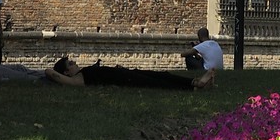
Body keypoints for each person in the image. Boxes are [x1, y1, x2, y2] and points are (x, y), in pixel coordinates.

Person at [46, 56, 213, 90]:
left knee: (163, 75)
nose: (75, 63)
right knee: (158, 83)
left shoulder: (83, 72)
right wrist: (53, 72)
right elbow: (50, 72)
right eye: (70, 64)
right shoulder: (77, 79)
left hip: (125, 74)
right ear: (66, 72)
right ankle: (196, 85)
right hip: (125, 79)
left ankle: (196, 83)